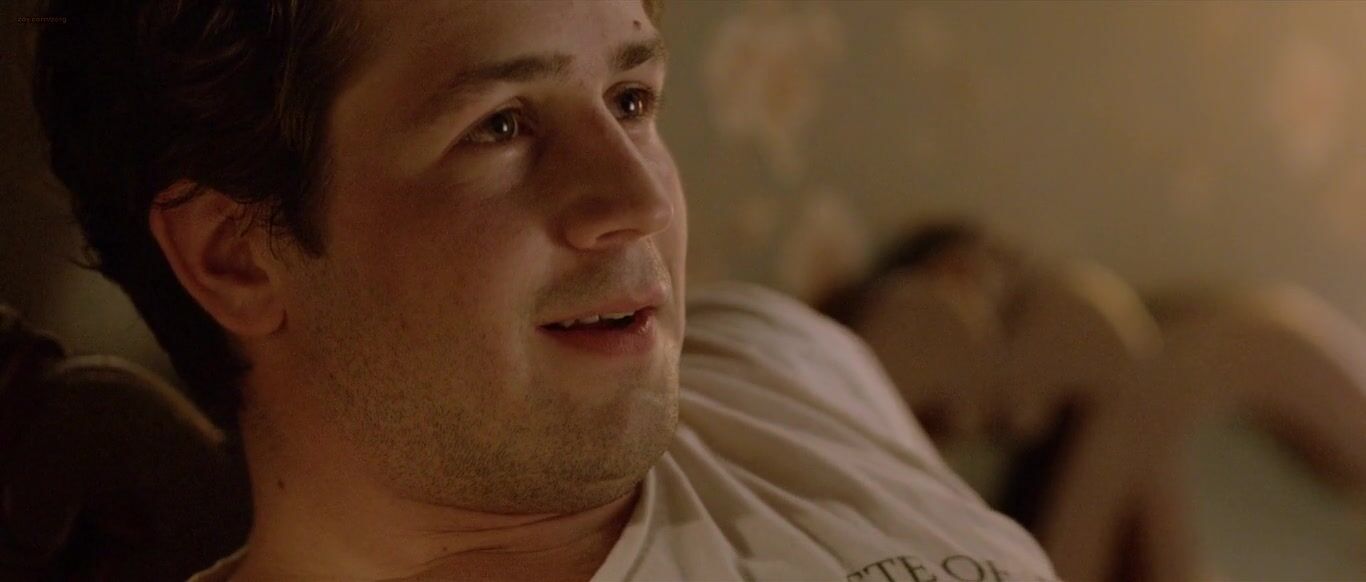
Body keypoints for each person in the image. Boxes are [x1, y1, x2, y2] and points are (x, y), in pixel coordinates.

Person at [32, 1, 1058, 580]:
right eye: (502, 126)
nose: (638, 201)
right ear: (237, 257)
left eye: (630, 99)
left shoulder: (777, 360)